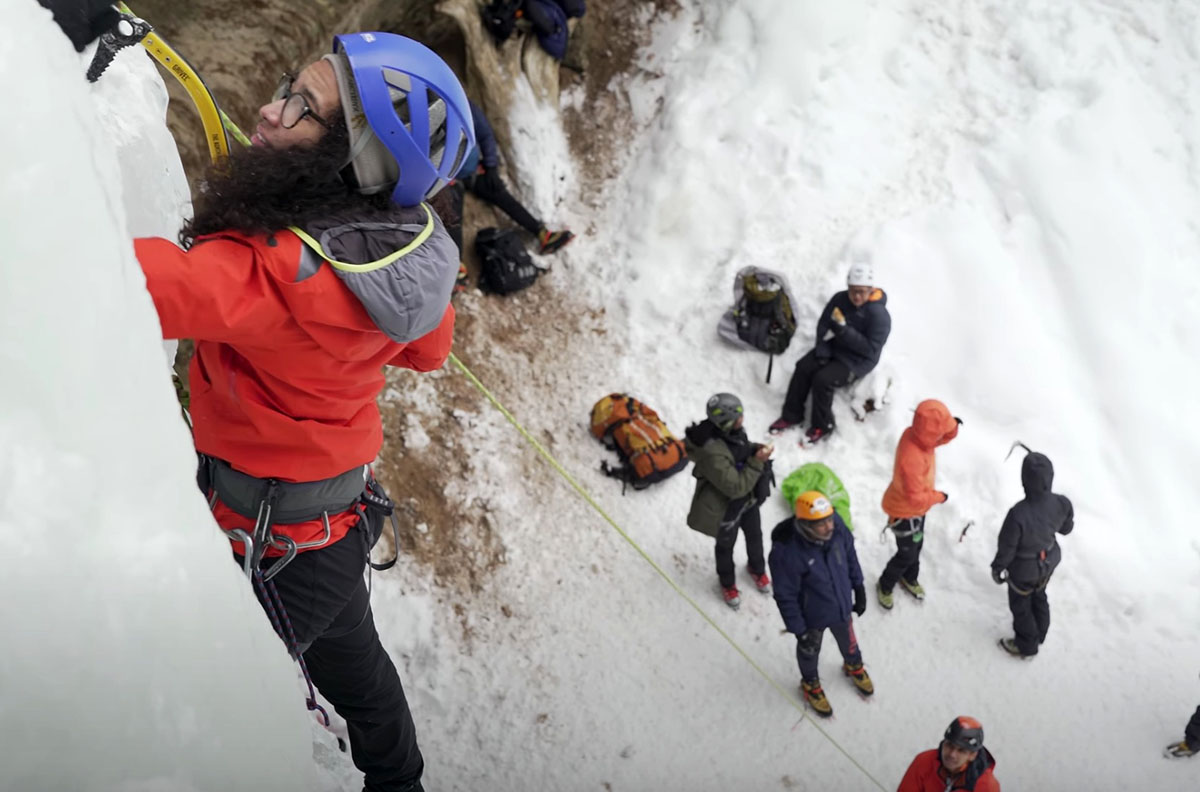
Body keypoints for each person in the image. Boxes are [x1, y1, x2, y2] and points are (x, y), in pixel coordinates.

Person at [132, 33, 476, 792]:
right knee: (360, 674)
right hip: (328, 534)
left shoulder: (268, 277)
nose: (268, 107)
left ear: (350, 162)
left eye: (302, 107)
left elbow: (115, 276)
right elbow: (426, 351)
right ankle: (400, 781)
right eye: (292, 85)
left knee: (209, 707)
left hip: (271, 549)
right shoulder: (412, 252)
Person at [768, 491, 871, 717]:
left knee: (849, 640)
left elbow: (850, 555)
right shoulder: (787, 553)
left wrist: (859, 586)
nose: (829, 526)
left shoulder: (838, 528)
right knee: (809, 652)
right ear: (805, 524)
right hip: (811, 618)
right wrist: (799, 630)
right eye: (821, 524)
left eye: (829, 519)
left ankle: (853, 664)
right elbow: (785, 595)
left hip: (841, 605)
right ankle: (810, 683)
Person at [769, 262, 891, 445]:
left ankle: (823, 426)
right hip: (836, 346)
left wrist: (844, 331)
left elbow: (870, 349)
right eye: (853, 291)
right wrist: (823, 349)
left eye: (862, 291)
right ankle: (792, 415)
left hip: (857, 361)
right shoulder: (840, 300)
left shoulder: (879, 315)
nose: (857, 296)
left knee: (823, 380)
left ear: (870, 290)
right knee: (803, 367)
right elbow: (824, 323)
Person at [447, 99, 573, 261]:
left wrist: (491, 166)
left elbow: (485, 135)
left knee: (499, 192)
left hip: (472, 171)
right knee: (451, 216)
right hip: (446, 178)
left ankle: (541, 233)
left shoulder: (463, 106)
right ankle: (456, 266)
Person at [684, 393, 773, 609]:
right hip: (727, 508)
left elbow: (739, 448)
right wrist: (757, 462)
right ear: (724, 421)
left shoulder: (731, 432)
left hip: (747, 502)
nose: (742, 420)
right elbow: (735, 487)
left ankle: (757, 568)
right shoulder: (712, 452)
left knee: (755, 536)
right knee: (725, 547)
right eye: (738, 417)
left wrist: (753, 449)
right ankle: (727, 583)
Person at [990, 448, 1074, 658]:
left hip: (1023, 571)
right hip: (1049, 561)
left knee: (1020, 606)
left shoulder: (1017, 514)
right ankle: (1041, 632)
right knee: (1040, 594)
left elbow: (1007, 548)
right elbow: (1065, 528)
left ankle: (1027, 644)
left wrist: (998, 568)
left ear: (1024, 481)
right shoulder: (1062, 503)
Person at [877, 399, 960, 609]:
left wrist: (952, 427)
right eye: (942, 430)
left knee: (916, 545)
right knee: (906, 553)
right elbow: (915, 497)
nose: (943, 436)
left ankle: (909, 577)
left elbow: (938, 439)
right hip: (904, 511)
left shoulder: (917, 435)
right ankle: (885, 585)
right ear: (932, 433)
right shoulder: (911, 458)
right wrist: (939, 497)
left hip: (917, 510)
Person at [897, 716, 1000, 791]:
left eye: (961, 750)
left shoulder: (986, 786)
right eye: (949, 745)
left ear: (972, 755)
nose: (952, 754)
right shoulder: (924, 762)